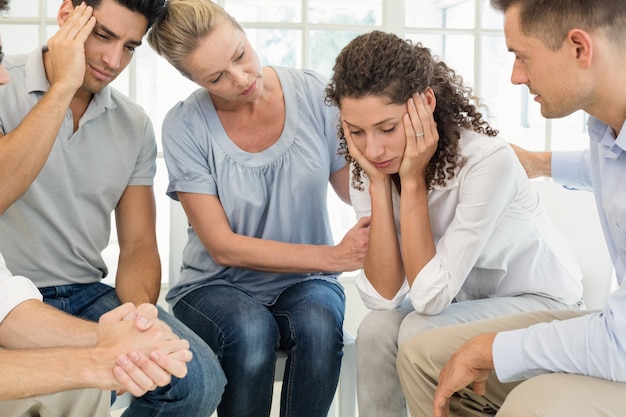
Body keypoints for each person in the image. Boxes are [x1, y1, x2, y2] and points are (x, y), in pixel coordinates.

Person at [324, 30, 585, 417]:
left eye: (387, 128)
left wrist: (411, 182)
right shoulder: (370, 169)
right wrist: (380, 185)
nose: (373, 149)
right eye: (357, 132)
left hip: (541, 304)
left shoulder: (486, 162)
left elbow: (428, 299)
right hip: (456, 307)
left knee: (417, 329)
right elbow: (382, 298)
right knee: (377, 328)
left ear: (425, 103)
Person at [396, 0, 626, 416]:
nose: (516, 76)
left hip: (622, 342)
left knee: (530, 403)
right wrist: (542, 163)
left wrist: (493, 349)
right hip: (617, 330)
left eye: (522, 56)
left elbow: (622, 346)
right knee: (423, 357)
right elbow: (612, 163)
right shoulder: (604, 127)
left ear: (579, 48)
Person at [0, 0, 226, 415]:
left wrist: (140, 315)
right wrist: (62, 87)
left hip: (86, 293)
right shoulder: (1, 83)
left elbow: (138, 242)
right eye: (103, 35)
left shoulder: (133, 124)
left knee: (198, 381)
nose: (112, 60)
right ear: (67, 16)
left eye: (129, 47)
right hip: (10, 298)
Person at [146, 0, 369, 415]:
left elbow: (353, 192)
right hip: (216, 286)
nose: (241, 78)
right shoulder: (184, 125)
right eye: (216, 77)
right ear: (191, 79)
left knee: (319, 330)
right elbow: (223, 247)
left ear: (243, 32)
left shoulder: (314, 94)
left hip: (306, 282)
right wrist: (334, 256)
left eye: (240, 55)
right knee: (251, 332)